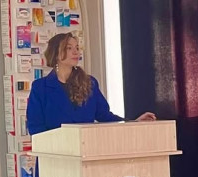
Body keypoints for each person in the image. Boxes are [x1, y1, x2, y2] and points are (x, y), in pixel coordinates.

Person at [27, 32, 155, 136]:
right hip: (53, 155)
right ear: (56, 54)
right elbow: (35, 128)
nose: (76, 52)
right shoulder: (40, 88)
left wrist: (133, 123)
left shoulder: (89, 83)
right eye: (69, 48)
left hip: (85, 152)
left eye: (77, 48)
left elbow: (105, 116)